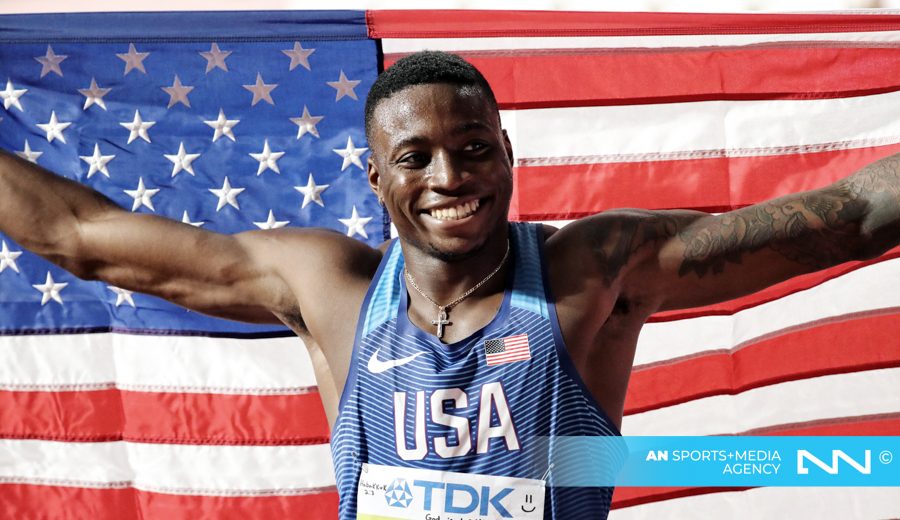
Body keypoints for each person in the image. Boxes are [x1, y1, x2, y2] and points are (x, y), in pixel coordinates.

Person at [1, 50, 898, 519]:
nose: (449, 177)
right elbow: (81, 238)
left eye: (473, 150)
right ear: (376, 177)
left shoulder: (593, 268)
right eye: (416, 157)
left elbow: (852, 218)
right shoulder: (330, 288)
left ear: (507, 154)